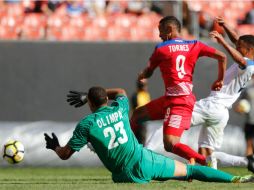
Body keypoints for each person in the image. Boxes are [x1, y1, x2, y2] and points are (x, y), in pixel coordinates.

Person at [44, 86, 254, 183]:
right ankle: (235, 179)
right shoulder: (119, 108)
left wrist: (54, 146)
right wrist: (87, 95)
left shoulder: (86, 124)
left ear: (89, 103)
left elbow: (64, 155)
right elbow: (121, 92)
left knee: (170, 176)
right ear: (105, 100)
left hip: (124, 176)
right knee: (191, 171)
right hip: (144, 160)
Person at [145, 17, 254, 172]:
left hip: (211, 105)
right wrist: (226, 26)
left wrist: (222, 42)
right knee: (208, 154)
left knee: (167, 129)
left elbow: (240, 58)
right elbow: (238, 40)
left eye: (240, 47)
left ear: (249, 50)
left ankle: (145, 153)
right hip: (222, 113)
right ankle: (245, 163)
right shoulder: (248, 57)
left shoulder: (249, 65)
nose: (237, 47)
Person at [130, 15, 227, 166]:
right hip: (171, 99)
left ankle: (205, 161)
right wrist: (220, 79)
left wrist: (143, 74)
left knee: (170, 143)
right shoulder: (195, 44)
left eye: (161, 31)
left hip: (179, 103)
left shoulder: (161, 49)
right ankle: (131, 155)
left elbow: (148, 72)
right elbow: (222, 57)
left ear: (169, 29)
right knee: (137, 115)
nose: (160, 35)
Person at [235, 78, 254, 156]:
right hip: (250, 121)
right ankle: (249, 165)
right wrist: (239, 108)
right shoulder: (247, 87)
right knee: (249, 144)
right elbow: (239, 103)